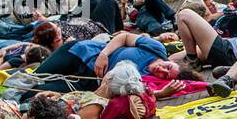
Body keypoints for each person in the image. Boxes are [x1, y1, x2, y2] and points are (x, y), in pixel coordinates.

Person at [34, 31, 184, 87]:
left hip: (85, 83)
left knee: (33, 91)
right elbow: (124, 36)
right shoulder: (157, 48)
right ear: (171, 61)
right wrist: (104, 54)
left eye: (164, 75)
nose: (162, 70)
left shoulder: (149, 81)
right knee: (34, 78)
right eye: (168, 67)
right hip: (80, 54)